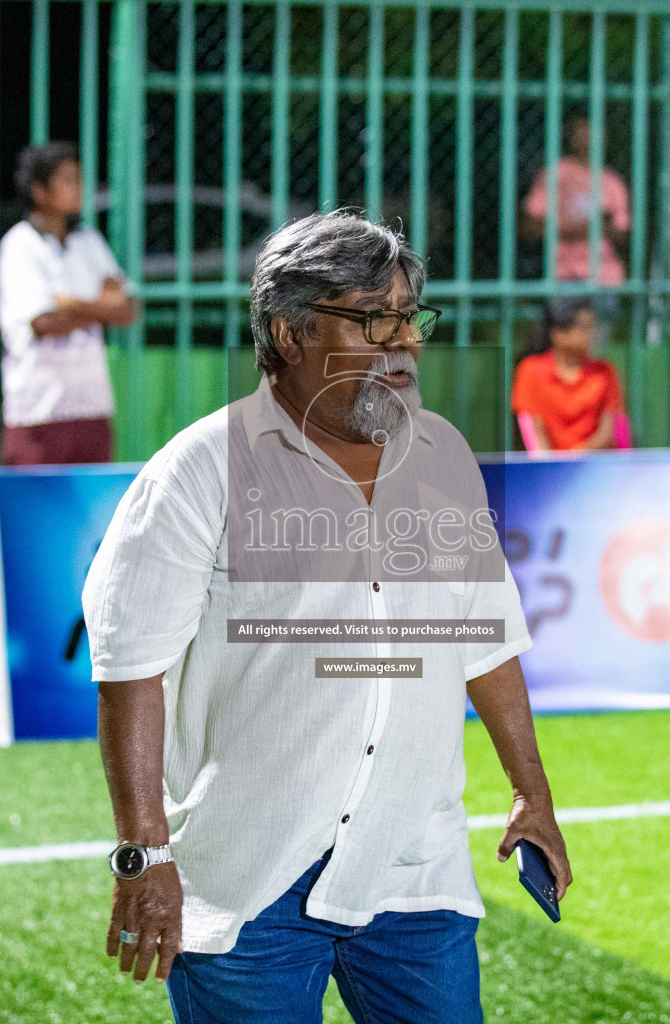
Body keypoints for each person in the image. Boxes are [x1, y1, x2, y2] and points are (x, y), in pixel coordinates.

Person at [82, 210, 571, 1023]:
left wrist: (532, 793)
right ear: (290, 332)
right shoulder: (201, 469)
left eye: (411, 317)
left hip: (415, 866)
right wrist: (144, 853)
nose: (404, 341)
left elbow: (484, 638)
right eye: (374, 320)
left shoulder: (443, 454)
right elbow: (129, 663)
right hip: (251, 877)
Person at [0, 142, 136, 465]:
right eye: (67, 180)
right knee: (38, 511)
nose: (79, 188)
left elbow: (126, 309)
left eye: (80, 179)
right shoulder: (20, 245)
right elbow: (43, 323)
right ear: (39, 191)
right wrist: (99, 308)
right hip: (38, 408)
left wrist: (68, 303)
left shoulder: (89, 242)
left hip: (92, 404)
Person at [521, 115, 631, 349]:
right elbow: (532, 226)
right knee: (562, 348)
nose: (588, 139)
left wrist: (565, 226)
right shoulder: (556, 175)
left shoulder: (612, 182)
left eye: (594, 132)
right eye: (582, 132)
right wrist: (594, 227)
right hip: (565, 276)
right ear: (571, 137)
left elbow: (622, 234)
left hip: (604, 277)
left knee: (596, 349)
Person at [511, 298, 627, 452]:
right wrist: (550, 467)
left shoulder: (605, 372)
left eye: (593, 327)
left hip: (594, 467)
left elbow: (608, 432)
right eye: (585, 328)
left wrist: (575, 458)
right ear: (558, 334)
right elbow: (532, 431)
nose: (593, 333)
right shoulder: (530, 370)